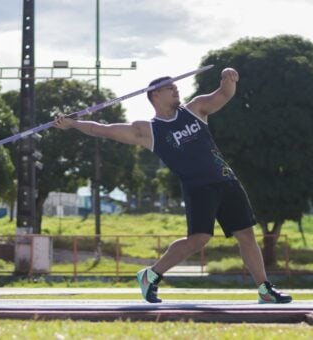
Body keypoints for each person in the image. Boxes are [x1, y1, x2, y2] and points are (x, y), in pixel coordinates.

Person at [53, 67, 292, 304]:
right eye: (170, 87)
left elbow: (224, 94)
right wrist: (73, 124)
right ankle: (151, 275)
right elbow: (101, 129)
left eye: (176, 86)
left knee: (246, 235)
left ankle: (264, 288)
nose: (176, 89)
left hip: (226, 180)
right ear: (155, 95)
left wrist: (228, 76)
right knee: (198, 239)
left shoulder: (195, 109)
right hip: (198, 188)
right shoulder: (147, 131)